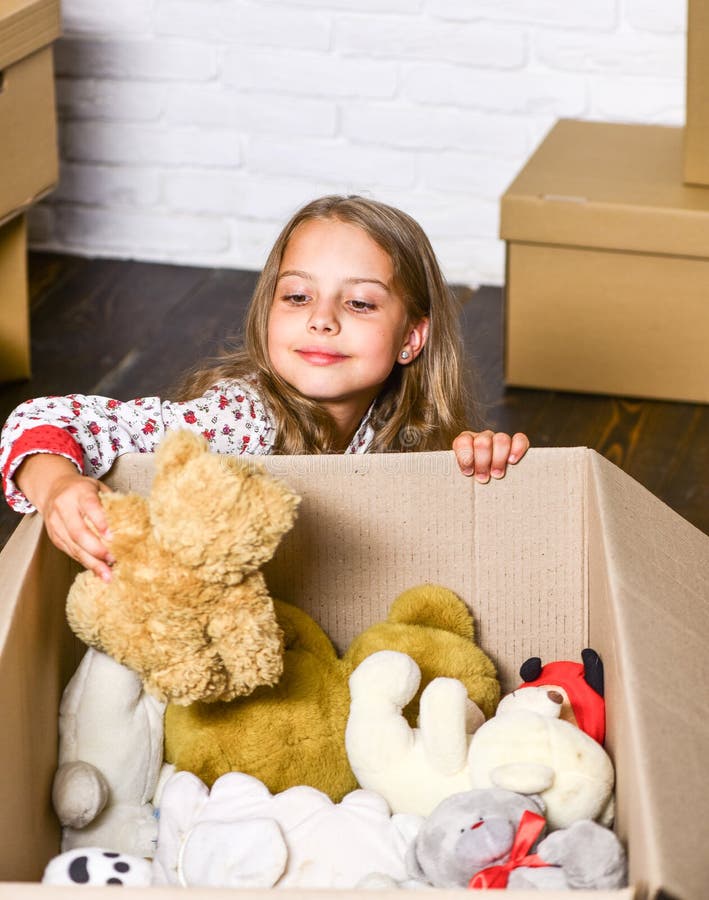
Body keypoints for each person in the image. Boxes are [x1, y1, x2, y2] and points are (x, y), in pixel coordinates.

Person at [0, 195, 529, 583]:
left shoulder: (407, 426)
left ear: (411, 337)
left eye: (360, 303)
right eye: (298, 296)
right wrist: (57, 489)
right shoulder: (240, 420)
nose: (322, 320)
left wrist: (479, 457)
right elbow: (40, 417)